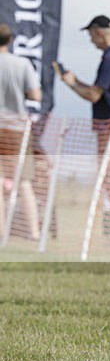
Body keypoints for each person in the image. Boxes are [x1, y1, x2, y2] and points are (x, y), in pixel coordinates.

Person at [58, 15, 110, 248]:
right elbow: (96, 91)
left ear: (100, 32)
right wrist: (76, 80)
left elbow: (93, 95)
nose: (91, 41)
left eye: (91, 35)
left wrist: (70, 83)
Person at [0, 22, 42, 241]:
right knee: (23, 180)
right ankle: (34, 232)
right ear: (11, 40)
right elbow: (36, 96)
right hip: (16, 127)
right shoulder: (22, 64)